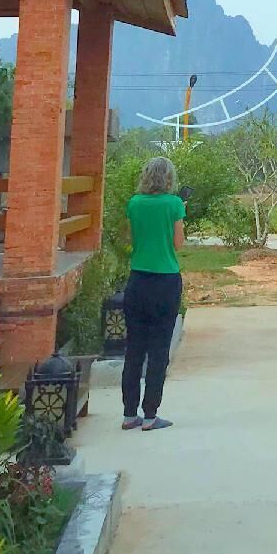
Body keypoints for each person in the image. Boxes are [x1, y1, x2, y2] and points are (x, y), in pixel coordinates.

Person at [121, 156, 185, 432]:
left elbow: (131, 239)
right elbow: (178, 244)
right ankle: (150, 414)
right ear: (169, 177)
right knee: (159, 350)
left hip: (138, 280)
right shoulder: (174, 204)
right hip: (166, 281)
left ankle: (128, 413)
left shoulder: (134, 203)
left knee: (134, 350)